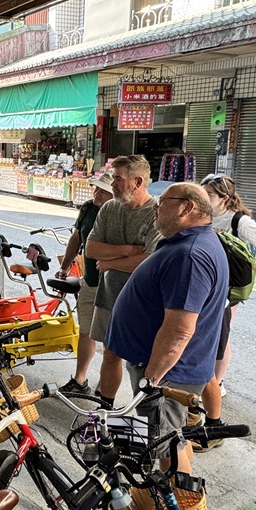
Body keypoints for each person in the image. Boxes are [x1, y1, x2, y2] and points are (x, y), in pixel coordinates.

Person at [106, 183, 228, 474]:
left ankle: (177, 501)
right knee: (173, 438)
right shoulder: (189, 244)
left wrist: (151, 381)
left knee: (167, 448)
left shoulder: (190, 255)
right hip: (167, 372)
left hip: (166, 376)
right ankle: (171, 494)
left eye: (163, 201)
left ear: (187, 207)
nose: (156, 207)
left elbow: (179, 332)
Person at [191, 173, 256, 451]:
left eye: (209, 195)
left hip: (228, 287)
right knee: (214, 332)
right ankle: (213, 383)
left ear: (225, 198)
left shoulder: (239, 221)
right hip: (208, 283)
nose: (204, 199)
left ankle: (216, 382)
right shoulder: (205, 215)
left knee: (220, 334)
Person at [71, 155, 161, 403]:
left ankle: (148, 414)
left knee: (142, 362)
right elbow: (91, 249)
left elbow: (149, 261)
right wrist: (131, 250)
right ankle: (105, 408)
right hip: (109, 295)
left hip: (142, 302)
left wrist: (110, 263)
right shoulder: (109, 208)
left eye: (118, 178)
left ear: (138, 181)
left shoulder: (155, 213)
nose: (112, 184)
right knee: (110, 354)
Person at [56, 171, 114, 394]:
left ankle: (106, 386)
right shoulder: (88, 208)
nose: (97, 193)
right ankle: (80, 380)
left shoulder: (120, 213)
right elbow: (77, 237)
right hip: (90, 280)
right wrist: (65, 266)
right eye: (96, 188)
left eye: (103, 190)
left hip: (113, 285)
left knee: (110, 339)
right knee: (86, 331)